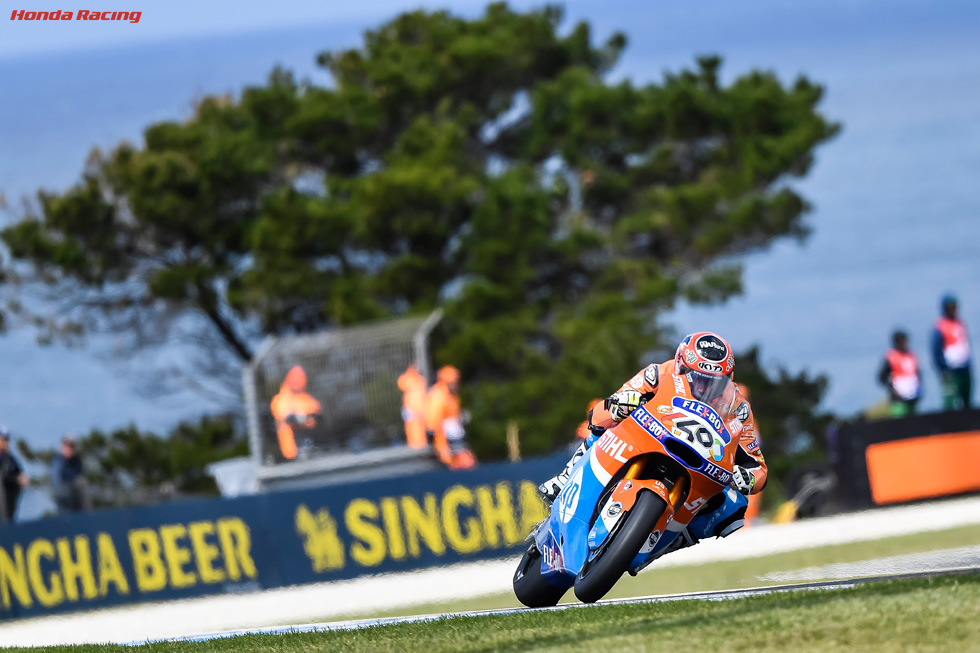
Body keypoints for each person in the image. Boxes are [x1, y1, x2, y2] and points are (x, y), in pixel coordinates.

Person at [538, 332, 766, 557]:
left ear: (729, 378)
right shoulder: (657, 373)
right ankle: (566, 478)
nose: (705, 387)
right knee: (604, 425)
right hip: (648, 438)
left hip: (700, 463)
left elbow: (758, 466)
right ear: (681, 366)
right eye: (697, 377)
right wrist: (619, 406)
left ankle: (676, 539)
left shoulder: (739, 409)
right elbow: (602, 411)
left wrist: (747, 478)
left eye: (715, 382)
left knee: (735, 506)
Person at [425, 365, 477, 469]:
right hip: (446, 441)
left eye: (456, 381)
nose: (455, 384)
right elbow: (432, 425)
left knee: (468, 464)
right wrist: (443, 447)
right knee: (462, 465)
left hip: (457, 437)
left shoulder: (453, 395)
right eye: (452, 382)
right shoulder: (438, 396)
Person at [270, 365, 323, 460]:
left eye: (301, 379)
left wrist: (308, 418)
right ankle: (291, 455)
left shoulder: (305, 398)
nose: (299, 382)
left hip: (309, 444)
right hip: (289, 453)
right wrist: (300, 418)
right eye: (296, 379)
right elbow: (285, 417)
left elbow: (316, 412)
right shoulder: (280, 400)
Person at [931, 295, 972, 410]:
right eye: (951, 307)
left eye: (955, 307)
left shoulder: (960, 323)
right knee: (950, 404)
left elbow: (966, 344)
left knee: (968, 404)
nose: (953, 310)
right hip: (950, 372)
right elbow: (936, 352)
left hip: (964, 370)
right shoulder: (940, 326)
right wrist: (943, 370)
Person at [878, 330, 922, 417]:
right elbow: (881, 377)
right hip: (898, 400)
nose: (905, 344)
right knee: (900, 422)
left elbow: (918, 374)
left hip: (913, 398)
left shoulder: (912, 356)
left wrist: (920, 391)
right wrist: (892, 388)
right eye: (902, 341)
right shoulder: (890, 357)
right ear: (897, 343)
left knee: (914, 422)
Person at [50, 434, 91, 512]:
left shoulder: (77, 461)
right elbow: (57, 482)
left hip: (77, 501)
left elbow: (81, 480)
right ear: (62, 447)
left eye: (72, 446)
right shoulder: (58, 462)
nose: (70, 449)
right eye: (67, 446)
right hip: (65, 502)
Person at [398, 364, 429, 449]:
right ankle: (415, 446)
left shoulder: (420, 380)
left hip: (421, 411)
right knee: (413, 429)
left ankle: (421, 445)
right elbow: (401, 383)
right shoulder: (408, 380)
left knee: (420, 429)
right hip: (412, 411)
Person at [0, 429, 28, 521]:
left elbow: (19, 471)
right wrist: (16, 480)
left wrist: (22, 479)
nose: (6, 442)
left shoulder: (10, 458)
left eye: (7, 439)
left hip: (10, 499)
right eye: (3, 439)